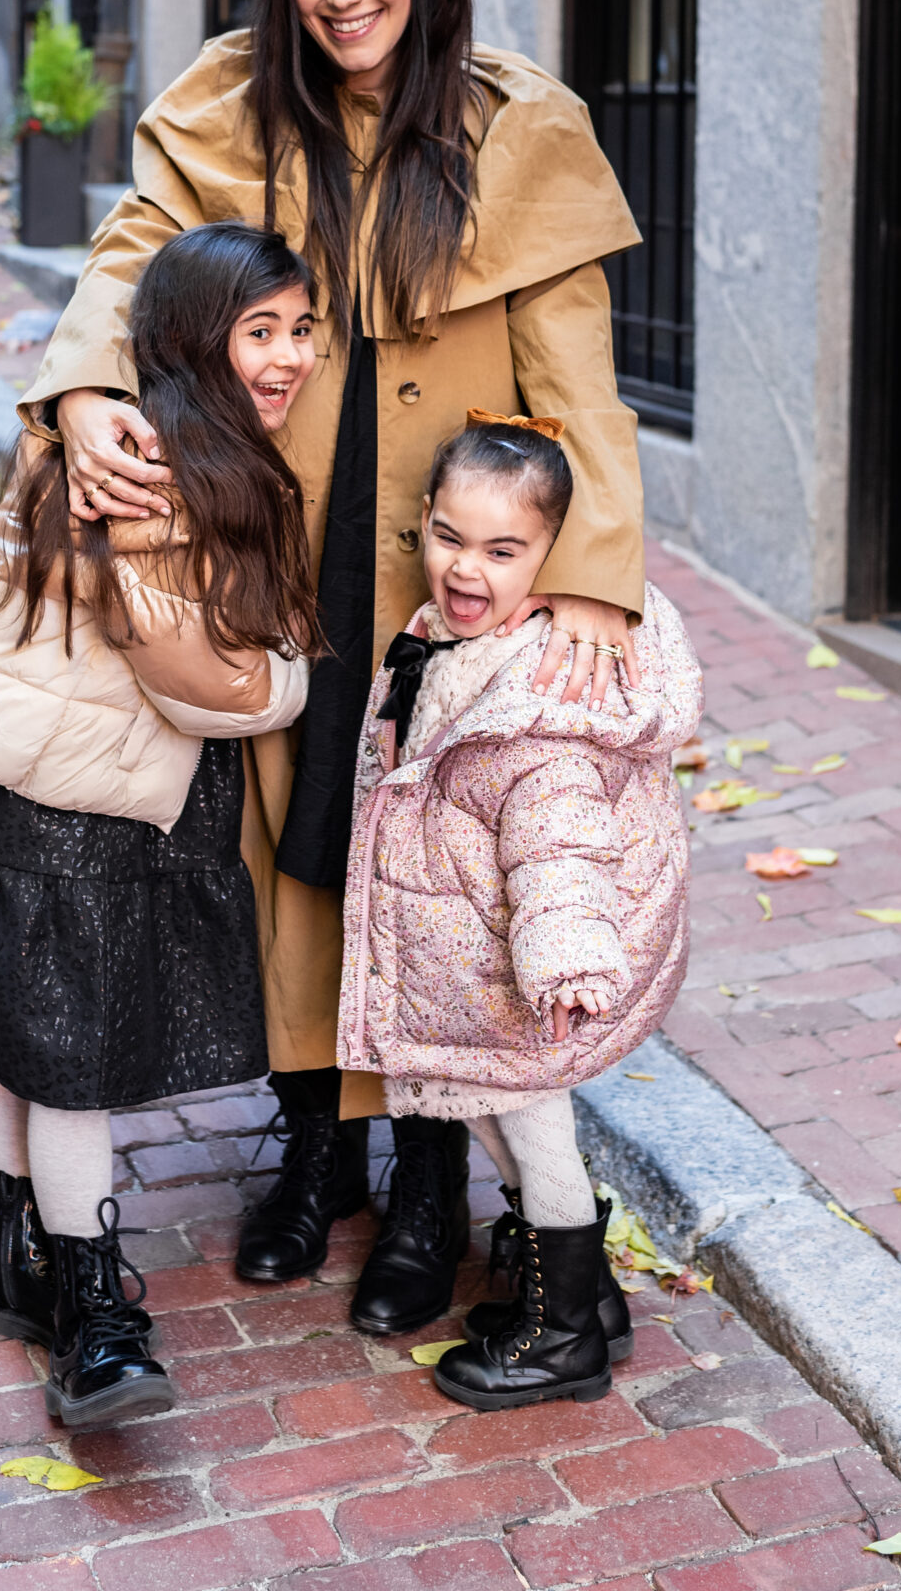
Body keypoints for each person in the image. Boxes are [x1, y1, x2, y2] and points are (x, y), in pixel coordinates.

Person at [22, 0, 647, 1334]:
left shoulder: (518, 126)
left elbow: (578, 374)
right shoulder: (232, 105)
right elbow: (129, 256)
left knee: (435, 873)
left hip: (444, 571)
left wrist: (590, 581)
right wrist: (87, 394)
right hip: (276, 545)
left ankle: (431, 1186)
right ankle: (320, 1153)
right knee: (291, 850)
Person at [0, 223, 322, 1424]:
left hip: (3, 778)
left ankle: (5, 1257)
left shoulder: (89, 439)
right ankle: (88, 1312)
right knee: (70, 1056)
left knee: (24, 1032)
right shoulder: (170, 480)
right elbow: (210, 688)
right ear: (190, 340)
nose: (289, 356)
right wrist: (289, 679)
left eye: (302, 327)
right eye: (260, 330)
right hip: (76, 803)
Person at [338, 413, 698, 1411]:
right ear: (421, 523)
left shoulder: (537, 701)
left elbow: (560, 841)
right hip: (469, 947)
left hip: (524, 972)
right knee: (488, 1116)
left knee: (532, 1132)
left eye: (503, 551)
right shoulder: (447, 639)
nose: (467, 569)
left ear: (552, 557)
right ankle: (583, 1299)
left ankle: (562, 1336)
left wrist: (569, 954)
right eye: (450, 538)